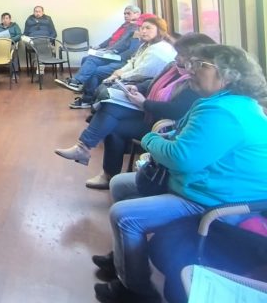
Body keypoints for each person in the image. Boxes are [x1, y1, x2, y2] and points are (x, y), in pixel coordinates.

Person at [91, 44, 267, 303]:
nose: (191, 71)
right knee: (120, 184)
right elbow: (188, 141)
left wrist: (150, 138)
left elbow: (180, 159)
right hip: (206, 185)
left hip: (219, 200)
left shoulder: (223, 113)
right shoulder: (224, 103)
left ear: (228, 75)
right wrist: (168, 139)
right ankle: (124, 259)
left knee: (124, 216)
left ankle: (136, 291)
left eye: (201, 66)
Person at [54, 33, 215, 189]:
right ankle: (91, 155)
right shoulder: (173, 67)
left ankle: (91, 156)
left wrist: (144, 103)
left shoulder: (195, 83)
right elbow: (153, 82)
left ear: (193, 59)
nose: (176, 57)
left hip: (164, 124)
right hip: (150, 111)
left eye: (180, 54)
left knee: (111, 118)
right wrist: (137, 88)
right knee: (110, 109)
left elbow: (175, 111)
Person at [69, 16, 175, 110]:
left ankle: (94, 107)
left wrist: (121, 76)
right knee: (98, 75)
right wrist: (118, 72)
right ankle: (92, 105)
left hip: (145, 83)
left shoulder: (158, 50)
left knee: (104, 90)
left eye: (148, 28)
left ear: (160, 30)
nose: (143, 31)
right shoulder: (146, 45)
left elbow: (142, 72)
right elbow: (133, 61)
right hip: (130, 71)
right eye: (142, 28)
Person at [55, 5, 141, 92]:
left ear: (137, 14)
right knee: (86, 59)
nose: (125, 16)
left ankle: (78, 84)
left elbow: (125, 45)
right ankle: (81, 86)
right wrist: (100, 47)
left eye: (128, 14)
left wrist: (111, 50)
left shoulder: (135, 28)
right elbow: (111, 38)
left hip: (118, 56)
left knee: (92, 62)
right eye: (124, 14)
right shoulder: (125, 26)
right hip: (111, 52)